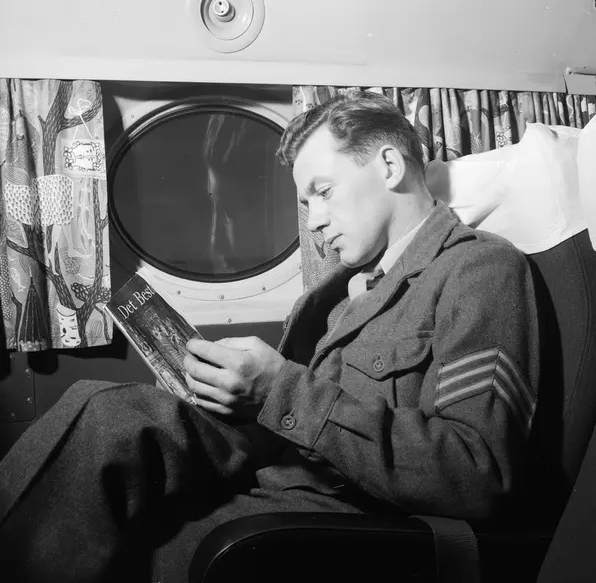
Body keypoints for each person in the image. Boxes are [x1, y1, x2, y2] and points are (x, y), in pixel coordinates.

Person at [0, 91, 540, 582]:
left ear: (390, 166)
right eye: (307, 204)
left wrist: (278, 388)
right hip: (269, 463)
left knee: (137, 540)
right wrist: (225, 393)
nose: (316, 221)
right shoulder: (339, 290)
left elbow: (477, 473)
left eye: (324, 192)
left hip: (346, 512)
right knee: (106, 411)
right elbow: (288, 416)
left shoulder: (479, 270)